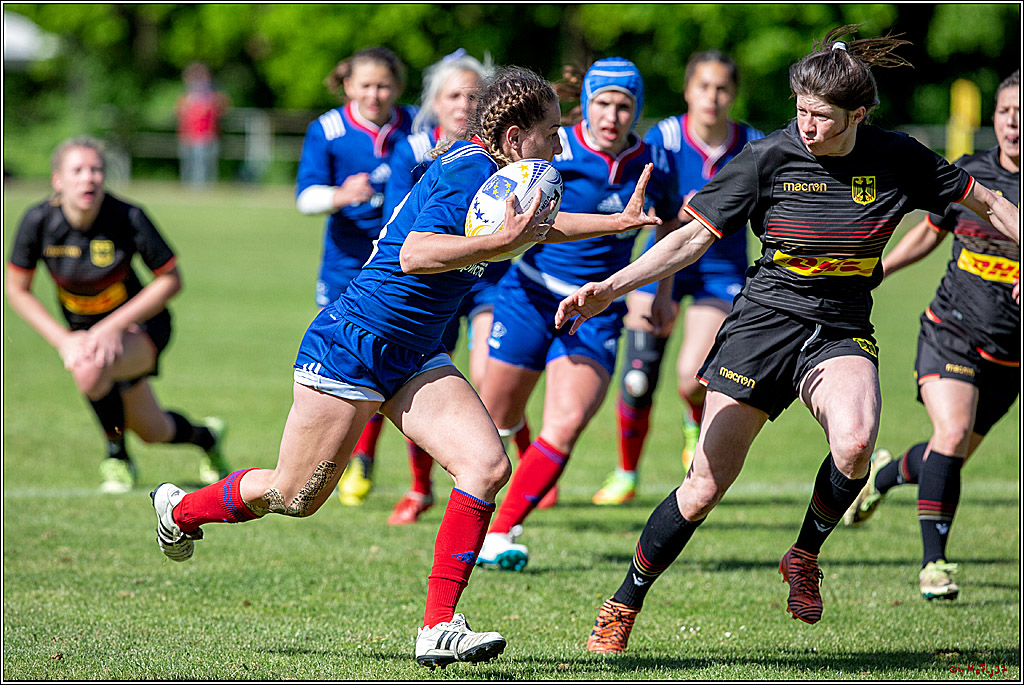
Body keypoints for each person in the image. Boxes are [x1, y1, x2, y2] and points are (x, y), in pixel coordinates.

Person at [148, 65, 661, 668]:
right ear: (517, 135)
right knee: (294, 495)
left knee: (486, 464)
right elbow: (418, 254)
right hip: (356, 343)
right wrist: (498, 244)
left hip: (414, 353)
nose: (561, 141)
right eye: (551, 131)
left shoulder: (505, 172)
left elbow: (537, 228)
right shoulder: (468, 167)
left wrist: (619, 223)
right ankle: (179, 510)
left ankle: (437, 627)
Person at [553, 25, 1018, 653]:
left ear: (859, 114)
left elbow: (986, 201)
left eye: (821, 116)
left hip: (840, 325)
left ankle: (803, 554)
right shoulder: (767, 157)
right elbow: (691, 238)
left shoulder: (898, 157)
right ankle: (624, 601)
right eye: (799, 110)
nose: (806, 125)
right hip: (763, 326)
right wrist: (612, 286)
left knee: (855, 447)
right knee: (704, 488)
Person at [473, 57, 682, 571]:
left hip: (595, 308)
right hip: (531, 294)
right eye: (602, 103)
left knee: (565, 423)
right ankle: (495, 501)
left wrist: (660, 291)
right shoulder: (553, 150)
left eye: (624, 105)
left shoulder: (654, 160)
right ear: (585, 104)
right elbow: (522, 216)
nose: (612, 115)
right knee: (497, 416)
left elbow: (671, 223)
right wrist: (612, 223)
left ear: (637, 110)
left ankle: (500, 531)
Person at [842, 70, 1020, 602]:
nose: (1014, 124)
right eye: (1007, 112)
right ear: (995, 118)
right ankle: (934, 564)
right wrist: (880, 270)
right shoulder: (974, 172)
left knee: (950, 454)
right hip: (953, 328)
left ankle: (886, 476)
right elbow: (930, 230)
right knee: (952, 432)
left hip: (1010, 353)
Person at [6, 137, 231, 493]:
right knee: (154, 431)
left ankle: (117, 458)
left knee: (89, 366)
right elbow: (16, 288)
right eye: (77, 170)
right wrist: (62, 339)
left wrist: (112, 326)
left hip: (142, 327)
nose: (89, 178)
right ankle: (208, 438)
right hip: (84, 334)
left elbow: (170, 281)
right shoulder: (38, 221)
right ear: (57, 180)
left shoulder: (127, 216)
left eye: (96, 169)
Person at [593, 51, 764, 506]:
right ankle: (626, 473)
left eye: (722, 88)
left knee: (692, 376)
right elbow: (650, 202)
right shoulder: (664, 138)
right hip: (662, 264)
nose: (712, 96)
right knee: (637, 380)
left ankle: (693, 420)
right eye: (703, 86)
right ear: (688, 90)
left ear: (733, 94)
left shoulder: (752, 143)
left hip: (718, 273)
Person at [382, 49, 512, 525]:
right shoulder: (416, 153)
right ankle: (422, 487)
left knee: (490, 378)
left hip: (485, 280)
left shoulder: (503, 157)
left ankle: (484, 471)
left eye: (473, 96)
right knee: (420, 382)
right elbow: (405, 232)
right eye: (453, 94)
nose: (463, 103)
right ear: (434, 103)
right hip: (431, 279)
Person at [294, 47, 416, 508]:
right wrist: (340, 195)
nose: (374, 94)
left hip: (396, 265)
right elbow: (305, 198)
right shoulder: (327, 129)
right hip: (345, 267)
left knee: (388, 361)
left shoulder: (414, 126)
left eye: (383, 85)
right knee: (348, 367)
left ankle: (364, 461)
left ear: (396, 88)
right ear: (348, 85)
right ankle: (342, 461)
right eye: (365, 85)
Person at [175, 62, 230, 189]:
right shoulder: (186, 98)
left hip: (206, 136)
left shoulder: (212, 97)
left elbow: (224, 109)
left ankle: (202, 189)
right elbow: (179, 112)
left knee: (204, 164)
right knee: (188, 164)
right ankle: (188, 187)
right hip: (188, 136)